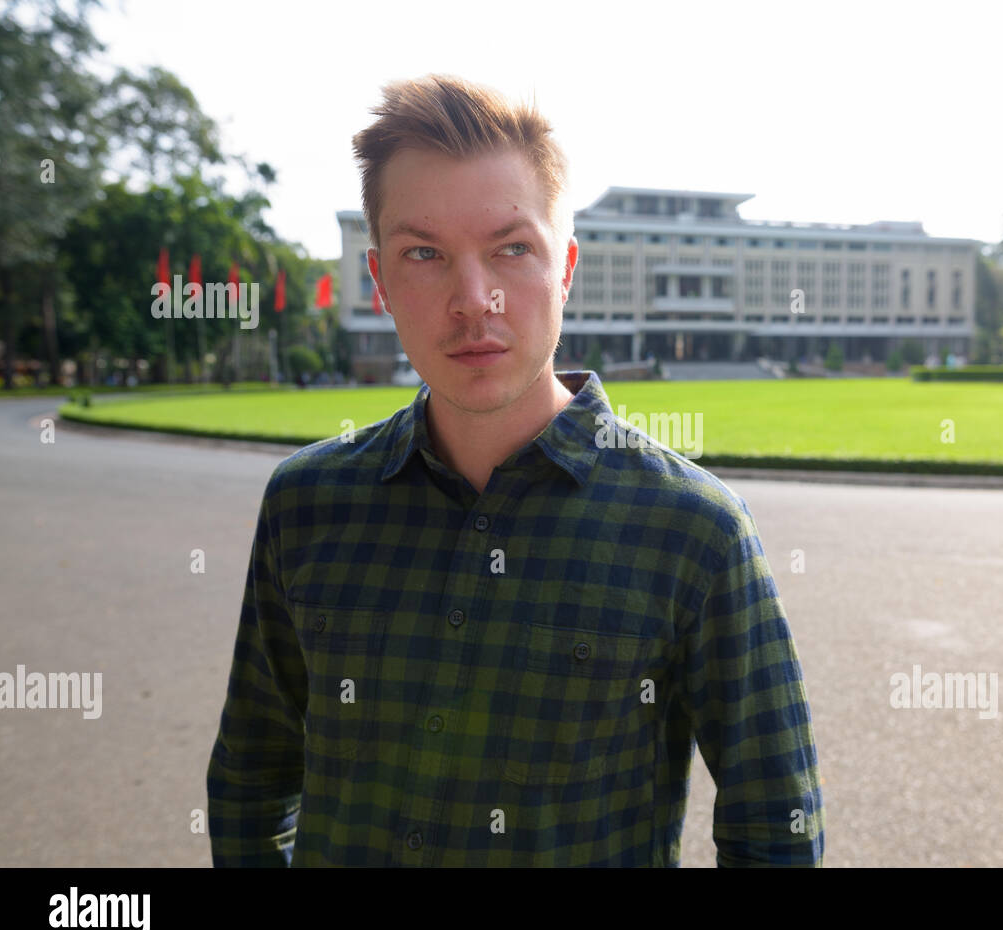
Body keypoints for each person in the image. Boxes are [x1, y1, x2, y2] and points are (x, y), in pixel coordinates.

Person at [206, 73, 824, 867]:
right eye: (424, 253)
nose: (474, 299)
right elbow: (252, 780)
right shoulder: (306, 504)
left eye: (511, 249)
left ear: (564, 267)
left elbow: (777, 823)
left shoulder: (694, 530)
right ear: (382, 281)